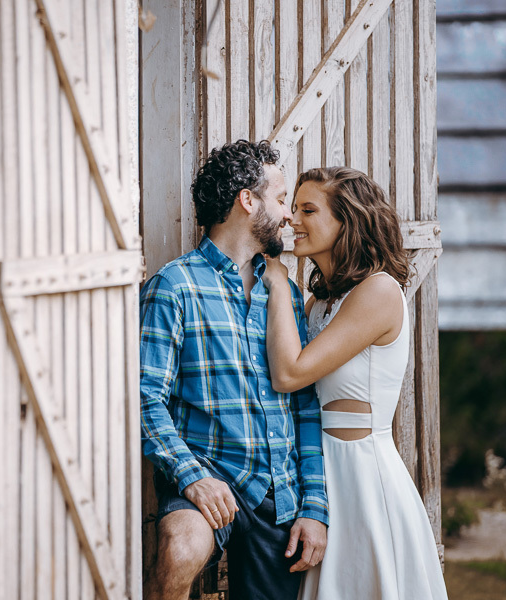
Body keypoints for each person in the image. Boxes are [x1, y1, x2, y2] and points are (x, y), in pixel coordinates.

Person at [140, 140, 328, 600]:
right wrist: (191, 477)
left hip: (276, 488)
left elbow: (305, 404)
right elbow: (145, 397)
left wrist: (315, 506)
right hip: (207, 473)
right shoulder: (175, 286)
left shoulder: (279, 293)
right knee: (181, 550)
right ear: (248, 200)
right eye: (281, 199)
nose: (288, 215)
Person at [263, 166, 449, 599]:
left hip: (363, 478)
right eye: (292, 209)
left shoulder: (379, 291)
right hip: (318, 473)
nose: (292, 220)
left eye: (308, 209)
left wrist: (276, 283)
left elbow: (289, 373)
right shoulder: (317, 302)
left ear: (349, 219)